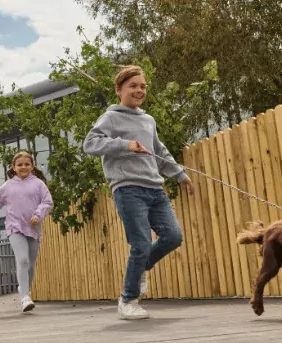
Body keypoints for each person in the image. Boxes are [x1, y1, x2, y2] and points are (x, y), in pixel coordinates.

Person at [83, 65, 194, 320]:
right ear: (119, 90)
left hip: (155, 188)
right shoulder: (110, 118)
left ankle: (141, 266)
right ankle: (128, 299)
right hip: (127, 188)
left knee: (173, 237)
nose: (139, 90)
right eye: (133, 86)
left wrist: (179, 174)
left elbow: (160, 151)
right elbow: (90, 144)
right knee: (141, 243)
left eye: (143, 86)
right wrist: (126, 145)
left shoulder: (148, 120)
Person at [0, 151, 53, 312]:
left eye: (27, 164)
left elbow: (47, 202)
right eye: (19, 164)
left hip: (33, 228)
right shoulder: (7, 187)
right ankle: (24, 297)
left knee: (30, 264)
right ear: (13, 167)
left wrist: (38, 214)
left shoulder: (38, 184)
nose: (23, 167)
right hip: (14, 227)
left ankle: (25, 291)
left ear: (32, 166)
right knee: (22, 260)